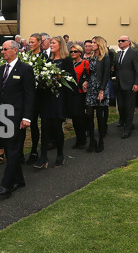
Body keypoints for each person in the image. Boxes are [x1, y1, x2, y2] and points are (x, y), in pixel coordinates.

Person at [0, 40, 35, 197]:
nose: (2, 52)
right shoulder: (0, 70)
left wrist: (27, 117)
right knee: (10, 151)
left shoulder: (25, 69)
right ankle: (19, 180)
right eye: (1, 49)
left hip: (17, 118)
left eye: (5, 49)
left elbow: (30, 95)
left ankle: (6, 185)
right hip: (2, 117)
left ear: (15, 50)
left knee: (14, 150)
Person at [34, 36, 75, 169]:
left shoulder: (67, 60)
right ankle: (43, 156)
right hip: (47, 98)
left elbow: (71, 79)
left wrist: (59, 79)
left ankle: (60, 154)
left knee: (57, 128)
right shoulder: (47, 60)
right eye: (50, 43)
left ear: (60, 45)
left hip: (59, 99)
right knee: (45, 127)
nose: (50, 45)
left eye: (53, 43)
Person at [85, 36, 111, 153]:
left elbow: (106, 75)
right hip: (91, 88)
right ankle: (92, 141)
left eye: (94, 43)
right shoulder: (91, 57)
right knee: (89, 114)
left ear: (99, 44)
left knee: (100, 116)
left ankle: (101, 140)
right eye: (92, 42)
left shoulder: (105, 57)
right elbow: (88, 72)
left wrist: (101, 90)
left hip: (101, 88)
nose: (92, 44)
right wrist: (85, 81)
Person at [24, 33, 46, 164]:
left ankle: (39, 150)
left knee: (42, 124)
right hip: (28, 96)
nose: (30, 44)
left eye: (32, 42)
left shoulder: (45, 57)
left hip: (41, 96)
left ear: (39, 42)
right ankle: (32, 150)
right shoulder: (26, 57)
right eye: (29, 42)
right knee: (31, 124)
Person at [114, 36, 138, 139]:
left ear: (128, 42)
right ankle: (127, 122)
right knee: (121, 106)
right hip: (119, 84)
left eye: (122, 41)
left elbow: (137, 70)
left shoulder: (133, 53)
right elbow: (117, 69)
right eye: (119, 40)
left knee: (129, 107)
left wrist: (136, 83)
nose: (120, 42)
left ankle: (127, 129)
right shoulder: (118, 54)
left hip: (130, 84)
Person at [69, 44, 89, 148]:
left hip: (80, 93)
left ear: (80, 53)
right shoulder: (70, 64)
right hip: (71, 93)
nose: (73, 53)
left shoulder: (85, 63)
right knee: (74, 118)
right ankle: (78, 139)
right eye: (71, 51)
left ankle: (83, 139)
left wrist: (86, 81)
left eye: (75, 51)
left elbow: (91, 76)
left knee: (79, 116)